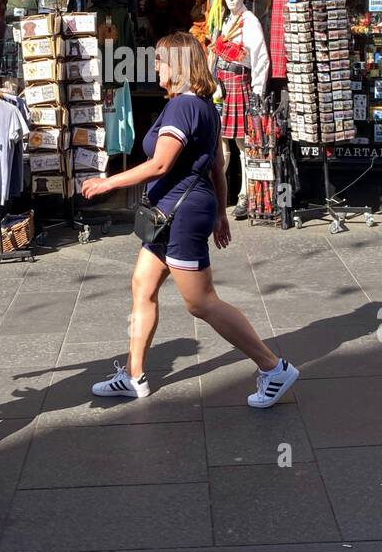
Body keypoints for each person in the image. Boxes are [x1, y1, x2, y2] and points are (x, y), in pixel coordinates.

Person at [80, 32, 299, 407]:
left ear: (178, 65)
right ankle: (133, 375)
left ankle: (273, 367)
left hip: (179, 214)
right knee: (142, 286)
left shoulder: (183, 107)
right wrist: (220, 213)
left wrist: (106, 183)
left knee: (201, 302)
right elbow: (216, 166)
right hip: (173, 213)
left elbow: (161, 163)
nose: (156, 67)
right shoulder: (203, 106)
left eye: (161, 61)